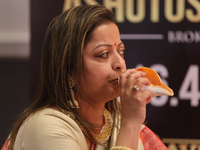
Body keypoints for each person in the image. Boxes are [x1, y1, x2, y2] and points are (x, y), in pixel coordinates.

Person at [2, 4, 168, 150]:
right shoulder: (44, 128)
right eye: (104, 54)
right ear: (69, 69)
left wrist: (129, 123)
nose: (120, 64)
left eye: (121, 52)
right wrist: (130, 123)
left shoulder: (115, 122)